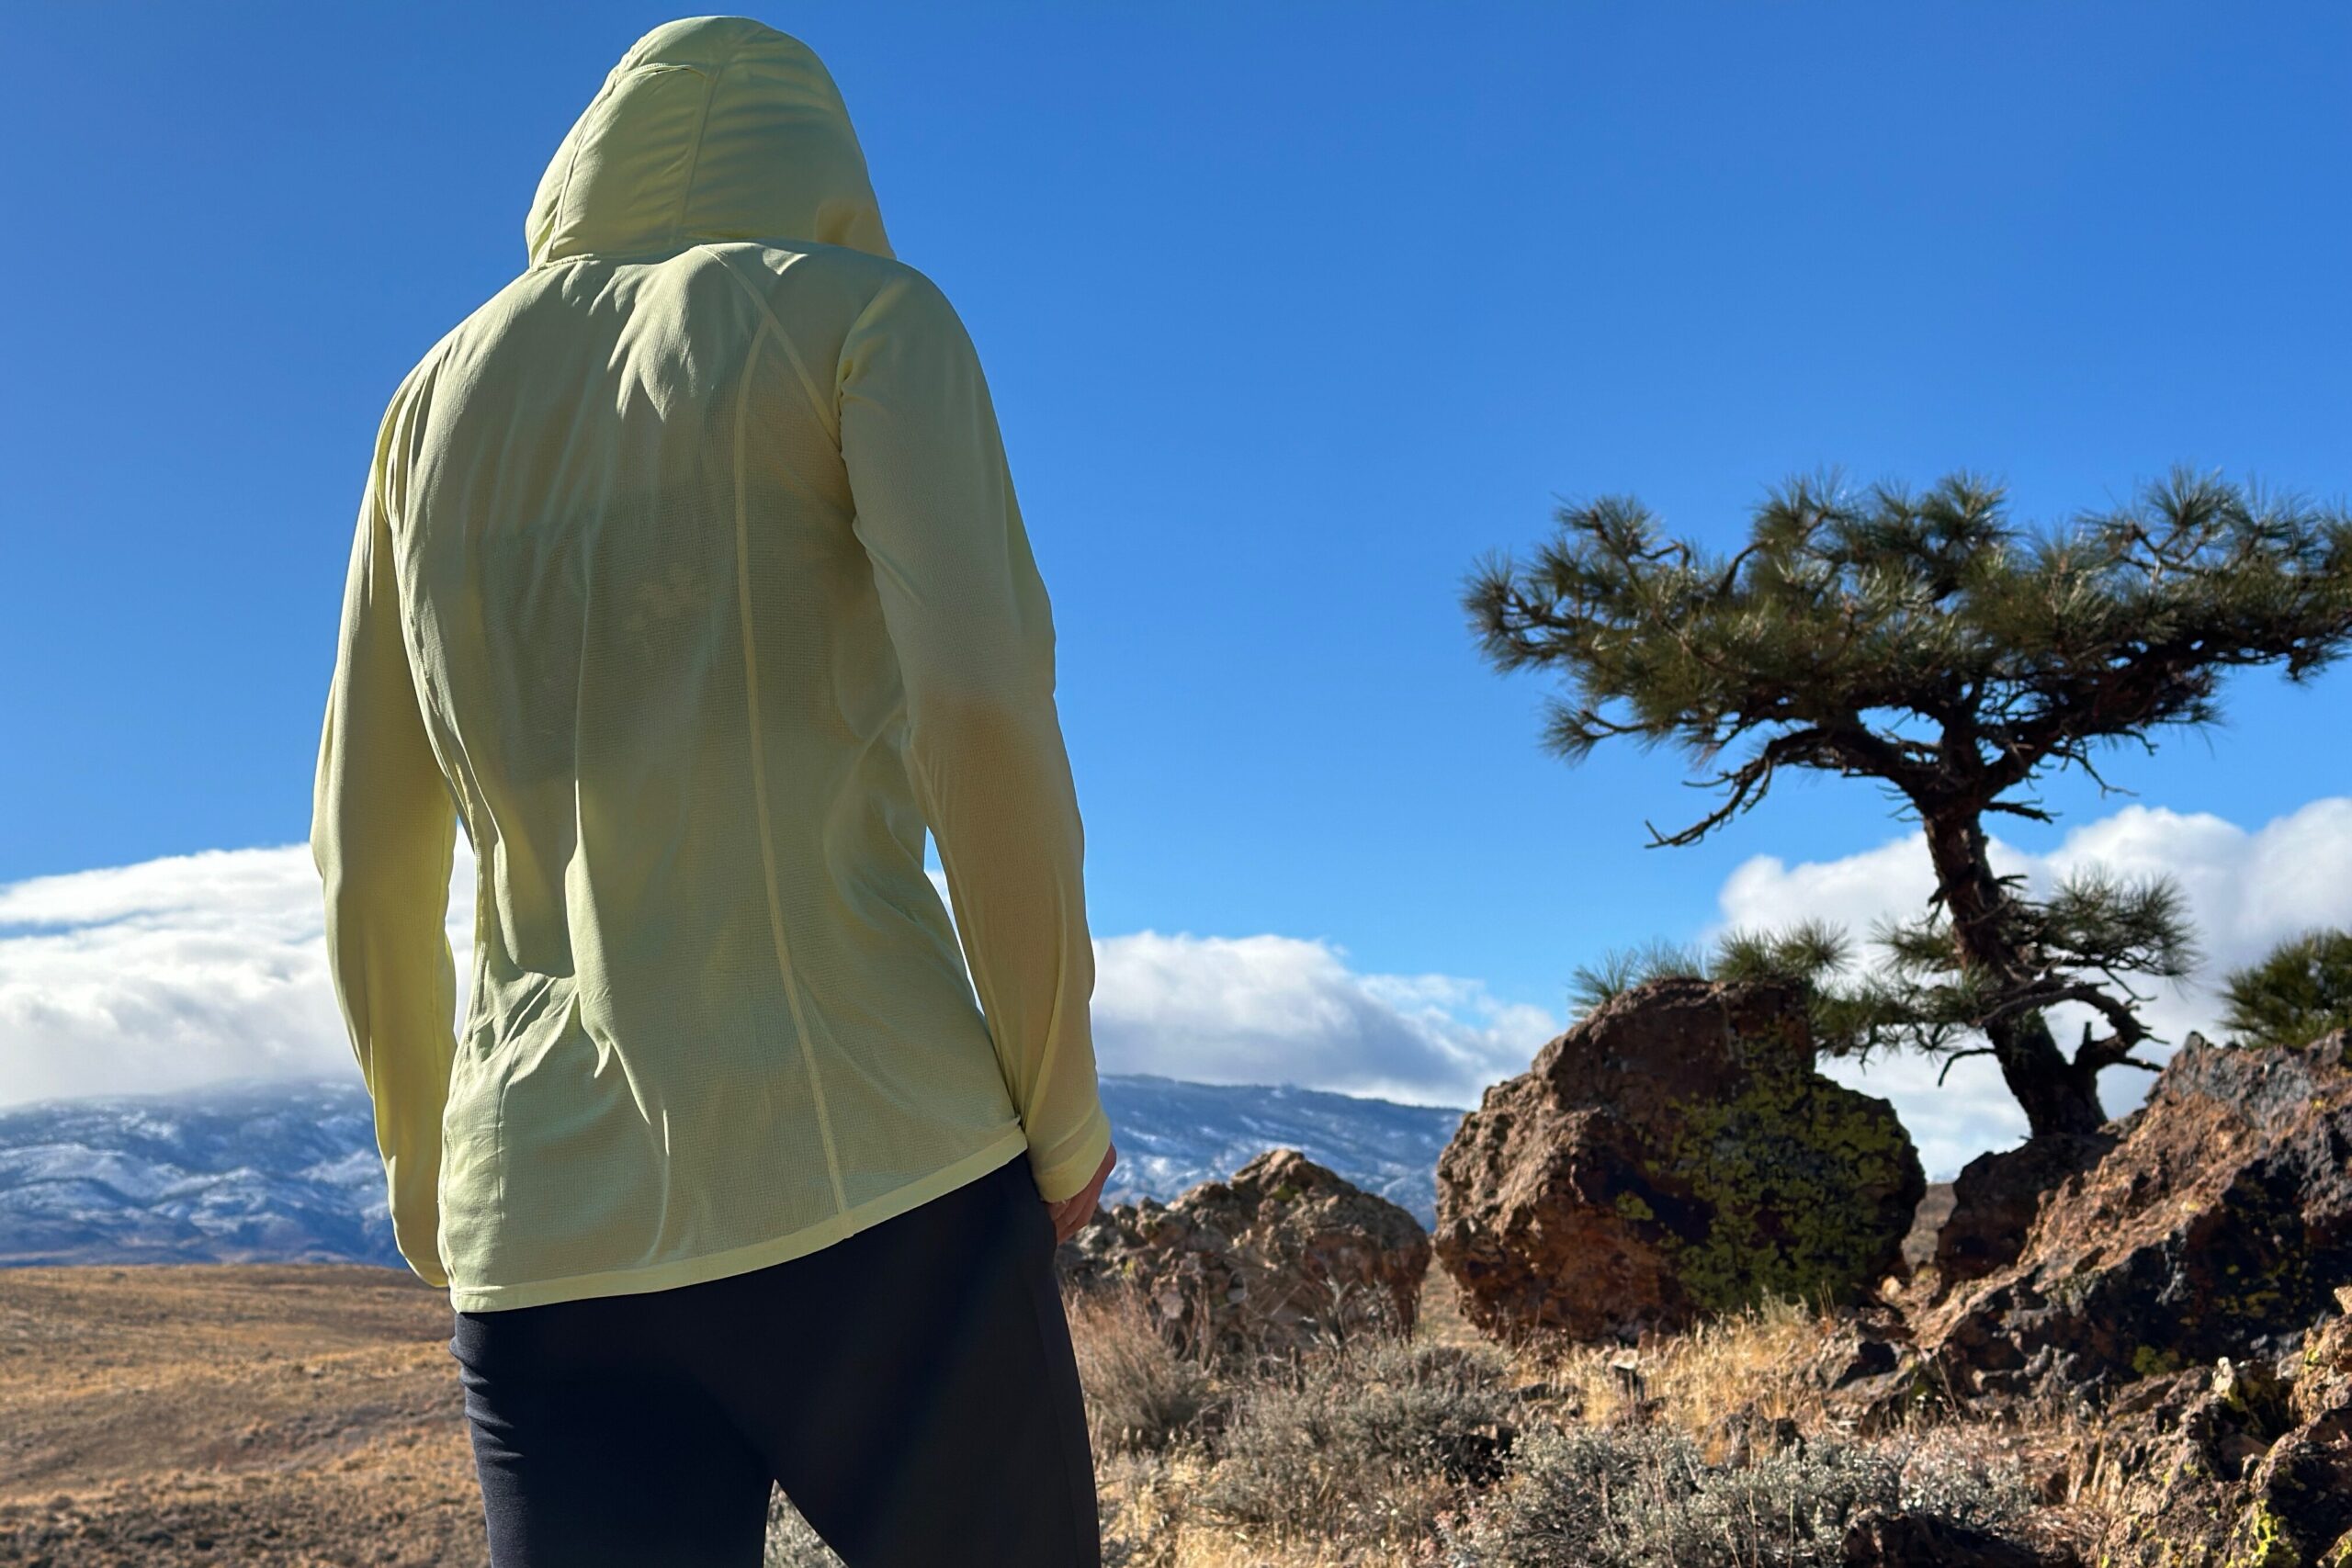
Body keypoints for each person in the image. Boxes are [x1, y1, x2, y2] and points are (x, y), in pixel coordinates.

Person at [309, 16, 1117, 1565]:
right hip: (877, 1170)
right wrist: (1059, 1113)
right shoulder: (867, 317)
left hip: (543, 1231)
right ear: (823, 168)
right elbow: (981, 713)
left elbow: (368, 844)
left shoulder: (426, 409)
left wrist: (435, 1183)